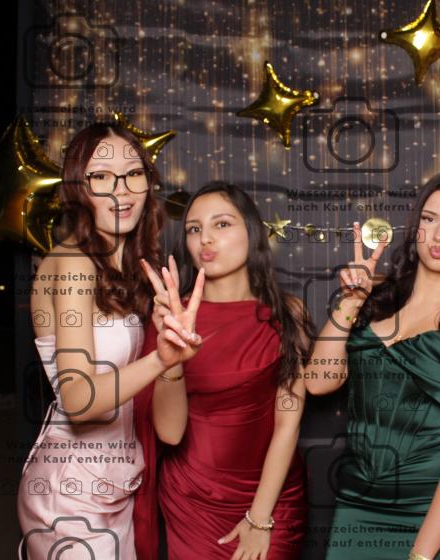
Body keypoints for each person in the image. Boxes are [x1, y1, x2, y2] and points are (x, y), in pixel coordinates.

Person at [18, 122, 204, 559]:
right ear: (77, 188)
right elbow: (78, 400)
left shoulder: (128, 273)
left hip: (115, 488)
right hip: (69, 494)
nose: (122, 190)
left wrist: (173, 354)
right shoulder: (73, 264)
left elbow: (171, 430)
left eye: (133, 173)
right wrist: (159, 359)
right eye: (101, 176)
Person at [305, 173, 440, 560]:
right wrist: (350, 302)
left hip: (438, 516)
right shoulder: (375, 301)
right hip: (358, 507)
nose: (439, 235)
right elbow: (317, 382)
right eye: (429, 219)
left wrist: (421, 556)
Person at [134, 182, 312, 560]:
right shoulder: (170, 318)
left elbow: (288, 422)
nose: (206, 239)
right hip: (194, 499)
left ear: (252, 232)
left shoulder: (287, 313)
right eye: (194, 228)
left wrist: (259, 518)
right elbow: (169, 433)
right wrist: (173, 357)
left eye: (222, 224)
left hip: (272, 496)